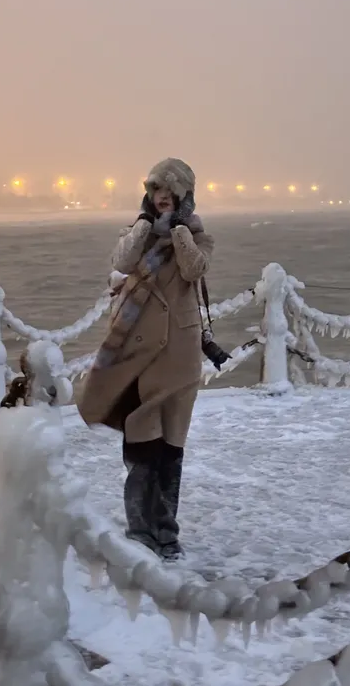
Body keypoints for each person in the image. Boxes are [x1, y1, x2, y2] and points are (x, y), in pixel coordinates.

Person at [77, 158, 213, 559]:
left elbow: (194, 270)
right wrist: (143, 226)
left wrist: (181, 233)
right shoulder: (136, 234)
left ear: (185, 196)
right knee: (141, 445)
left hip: (179, 359)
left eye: (170, 193)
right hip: (137, 355)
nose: (162, 199)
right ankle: (140, 532)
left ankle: (166, 533)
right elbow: (121, 262)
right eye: (156, 192)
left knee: (171, 449)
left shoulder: (200, 236)